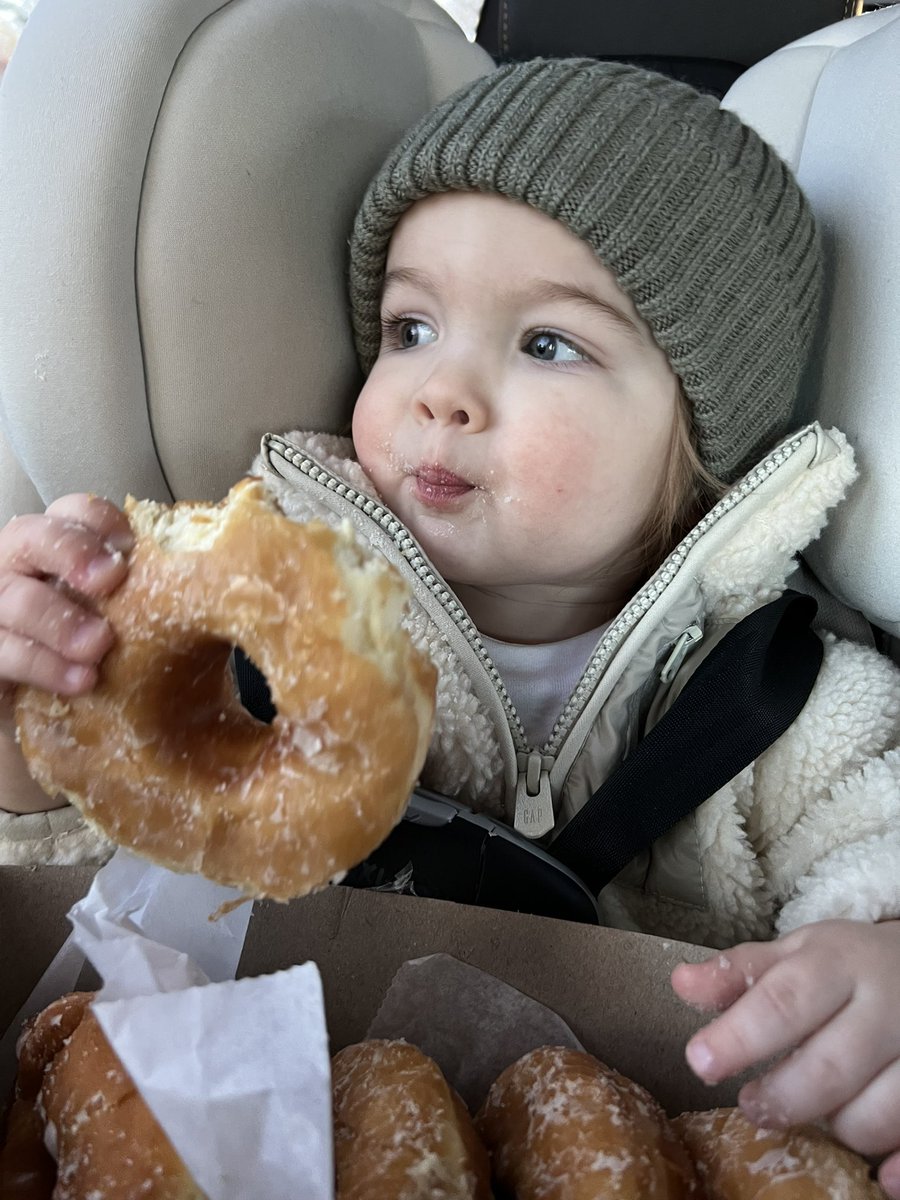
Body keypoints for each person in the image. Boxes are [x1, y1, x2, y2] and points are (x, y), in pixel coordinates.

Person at [1, 59, 900, 1191]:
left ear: (701, 442)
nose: (441, 391)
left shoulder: (792, 698)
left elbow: (881, 846)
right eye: (411, 327)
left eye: (547, 345)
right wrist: (26, 741)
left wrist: (881, 961)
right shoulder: (246, 648)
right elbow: (101, 899)